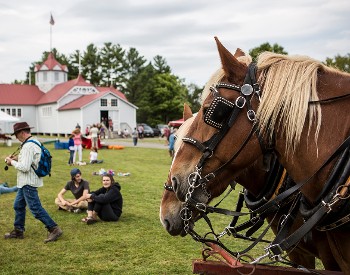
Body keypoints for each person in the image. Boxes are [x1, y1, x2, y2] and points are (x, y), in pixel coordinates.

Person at [4, 122, 63, 243]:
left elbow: (25, 167)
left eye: (16, 134)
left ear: (21, 133)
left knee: (35, 208)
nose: (16, 137)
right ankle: (18, 230)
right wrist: (17, 159)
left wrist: (11, 162)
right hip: (26, 181)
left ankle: (54, 228)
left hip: (28, 182)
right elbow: (31, 160)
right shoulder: (34, 142)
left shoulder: (27, 146)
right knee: (18, 205)